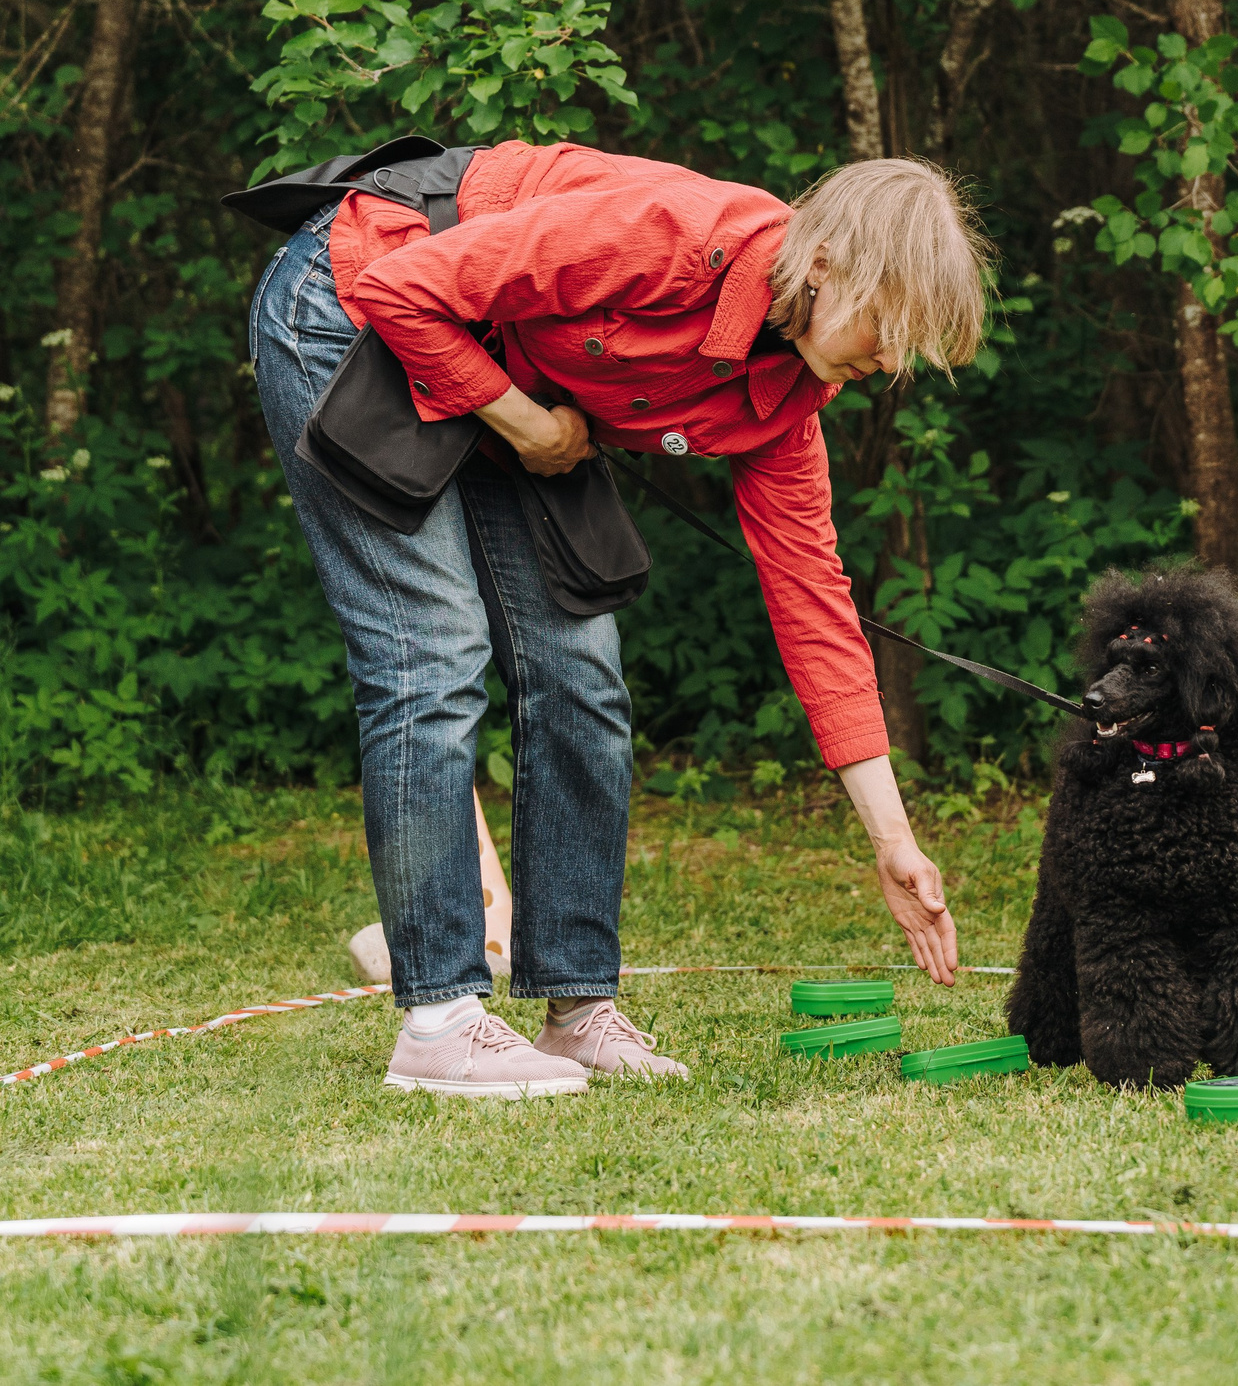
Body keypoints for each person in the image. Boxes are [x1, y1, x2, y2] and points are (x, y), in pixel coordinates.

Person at [249, 143, 985, 1098]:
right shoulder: (673, 239)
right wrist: (524, 423)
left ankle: (575, 1008)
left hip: (503, 365)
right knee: (432, 649)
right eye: (889, 328)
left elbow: (816, 608)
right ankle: (439, 1020)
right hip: (352, 300)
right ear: (827, 265)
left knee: (581, 668)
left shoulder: (788, 399)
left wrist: (892, 839)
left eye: (907, 354)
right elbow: (407, 287)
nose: (887, 363)